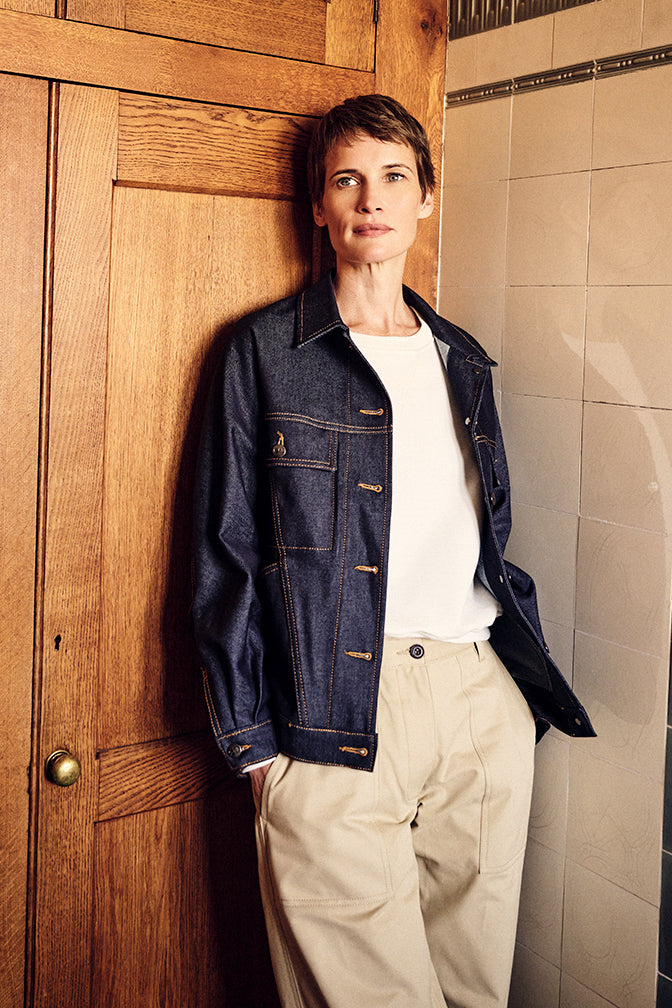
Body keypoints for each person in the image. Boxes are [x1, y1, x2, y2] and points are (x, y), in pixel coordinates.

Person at [192, 94, 594, 1008]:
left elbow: (482, 534)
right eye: (347, 179)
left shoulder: (463, 359)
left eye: (393, 176)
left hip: (475, 696)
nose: (370, 198)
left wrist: (506, 710)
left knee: (473, 991)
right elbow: (225, 553)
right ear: (319, 206)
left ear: (424, 197)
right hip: (330, 710)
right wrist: (256, 754)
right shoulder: (263, 353)